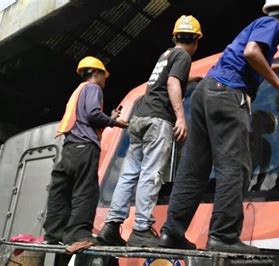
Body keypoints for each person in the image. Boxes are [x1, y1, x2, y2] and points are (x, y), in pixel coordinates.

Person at [159, 0, 279, 253]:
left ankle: (172, 232)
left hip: (205, 93)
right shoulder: (270, 25)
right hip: (228, 94)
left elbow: (251, 59)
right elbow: (252, 53)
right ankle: (223, 236)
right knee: (235, 166)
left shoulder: (256, 25)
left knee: (193, 169)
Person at [97, 15, 202, 247]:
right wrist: (181, 117)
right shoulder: (184, 55)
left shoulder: (166, 55)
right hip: (158, 120)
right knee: (151, 174)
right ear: (196, 41)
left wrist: (194, 77)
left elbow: (165, 80)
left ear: (174, 36)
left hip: (139, 120)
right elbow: (173, 83)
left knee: (129, 175)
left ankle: (111, 227)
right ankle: (141, 229)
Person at [43, 56, 128, 246]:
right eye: (104, 76)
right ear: (96, 73)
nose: (105, 81)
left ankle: (53, 234)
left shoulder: (78, 91)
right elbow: (92, 115)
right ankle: (78, 233)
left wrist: (108, 117)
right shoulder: (93, 88)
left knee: (61, 191)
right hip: (85, 149)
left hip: (70, 148)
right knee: (85, 191)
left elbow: (85, 119)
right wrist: (115, 122)